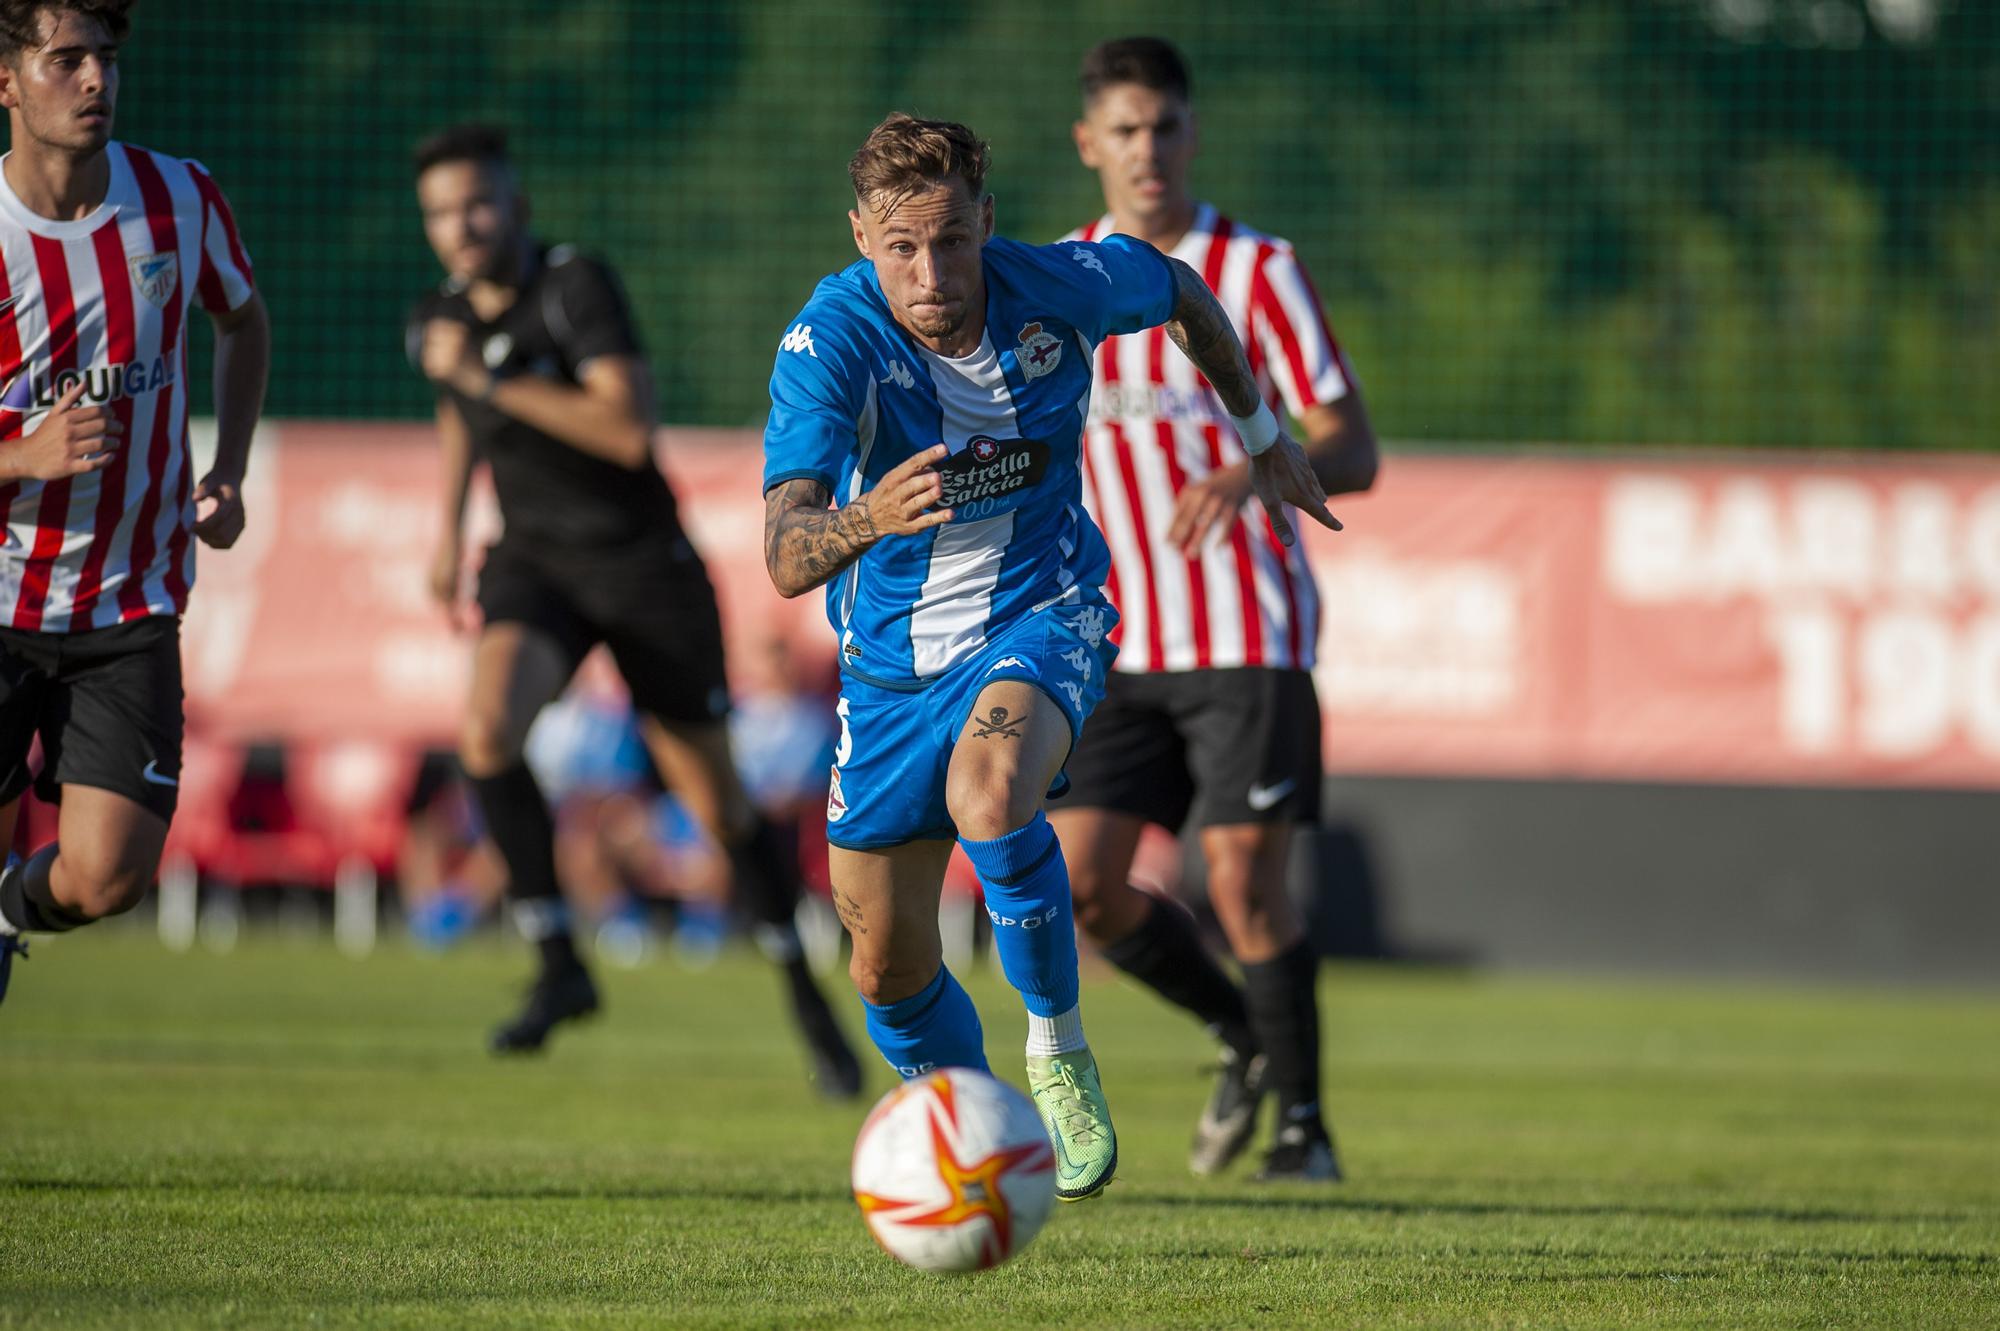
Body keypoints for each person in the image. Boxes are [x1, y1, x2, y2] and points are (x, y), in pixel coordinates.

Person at [761, 113, 1341, 1201]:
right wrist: (869, 516)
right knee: (883, 964)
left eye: (949, 239)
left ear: (984, 219)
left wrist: (1262, 438)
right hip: (889, 669)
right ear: (859, 239)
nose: (928, 272)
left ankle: (1058, 1046)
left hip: (1045, 610)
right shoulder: (828, 340)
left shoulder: (1062, 285)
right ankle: (983, 1138)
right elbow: (786, 553)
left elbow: (1178, 292)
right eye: (898, 248)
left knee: (990, 798)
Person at [407, 123, 862, 1096]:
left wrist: (489, 376)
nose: (464, 224)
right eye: (443, 211)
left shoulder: (574, 286)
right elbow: (458, 414)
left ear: (516, 205)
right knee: (486, 733)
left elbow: (625, 426)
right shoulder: (438, 318)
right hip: (534, 564)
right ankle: (559, 961)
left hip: (642, 567)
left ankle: (804, 995)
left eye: (479, 201)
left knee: (717, 801)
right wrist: (448, 532)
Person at [1052, 36, 1381, 1182]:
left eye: (1166, 126)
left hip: (1247, 632)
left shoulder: (1256, 266)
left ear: (1193, 133)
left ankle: (1305, 1130)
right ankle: (1240, 1033)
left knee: (1242, 883)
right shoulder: (1062, 277)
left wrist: (1255, 464)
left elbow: (1352, 443)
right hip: (1108, 640)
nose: (1149, 150)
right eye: (1125, 130)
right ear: (1089, 143)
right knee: (1081, 887)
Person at [0, 0, 269, 1003]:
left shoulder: (178, 198)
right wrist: (20, 453)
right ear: (7, 82)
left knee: (109, 874)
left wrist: (228, 468)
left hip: (129, 599)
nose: (94, 80)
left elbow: (242, 323)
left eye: (105, 59)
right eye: (65, 59)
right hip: (0, 597)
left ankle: (6, 913)